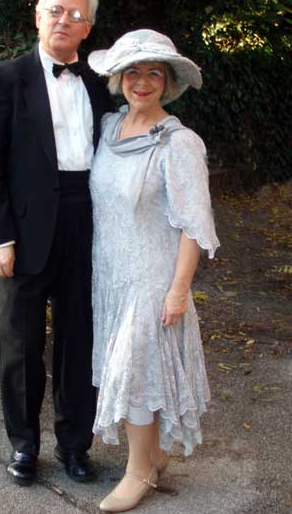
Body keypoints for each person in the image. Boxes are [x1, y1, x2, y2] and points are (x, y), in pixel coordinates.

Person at [0, 0, 111, 486]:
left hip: (87, 224)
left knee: (80, 342)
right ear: (37, 15)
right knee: (20, 346)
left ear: (87, 28)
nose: (64, 20)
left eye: (75, 14)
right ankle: (24, 446)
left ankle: (76, 447)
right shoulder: (4, 78)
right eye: (56, 10)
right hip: (24, 230)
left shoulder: (102, 84)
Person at [87, 29, 220, 512]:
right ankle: (153, 456)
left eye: (154, 73)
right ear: (119, 78)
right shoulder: (108, 127)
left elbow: (194, 225)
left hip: (152, 276)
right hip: (111, 273)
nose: (142, 82)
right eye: (134, 72)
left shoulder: (179, 143)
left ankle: (139, 470)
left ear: (167, 83)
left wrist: (179, 288)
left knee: (136, 368)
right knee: (130, 366)